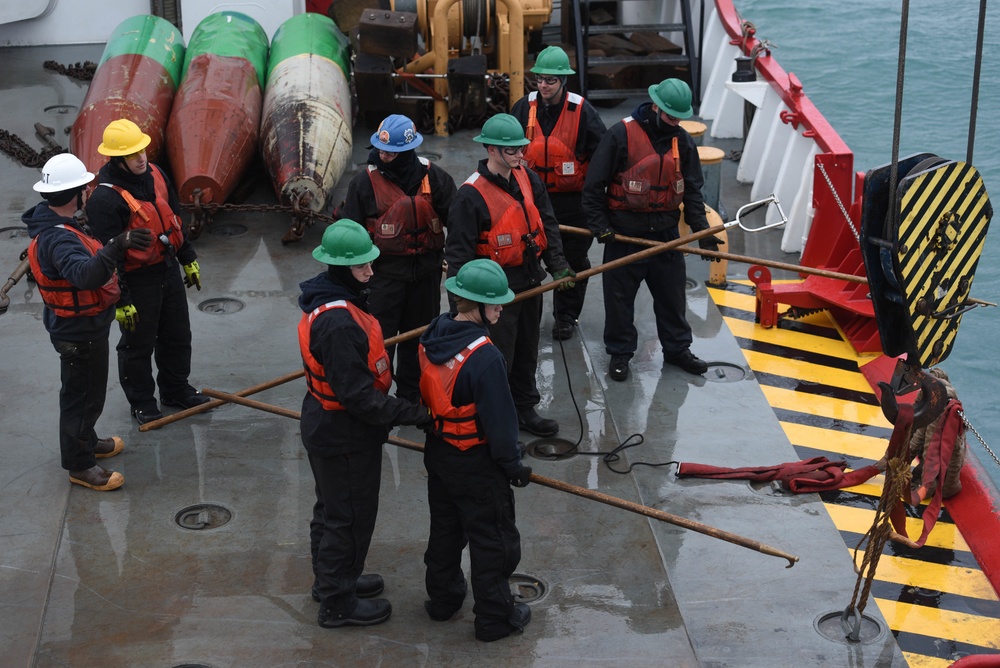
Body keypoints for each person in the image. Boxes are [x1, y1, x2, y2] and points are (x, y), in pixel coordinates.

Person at [298, 218, 432, 628]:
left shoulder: (331, 300)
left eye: (370, 264)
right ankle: (338, 603)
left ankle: (332, 581)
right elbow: (358, 397)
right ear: (340, 269)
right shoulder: (338, 323)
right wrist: (415, 414)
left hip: (325, 424)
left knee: (332, 509)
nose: (371, 272)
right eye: (361, 267)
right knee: (349, 517)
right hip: (344, 433)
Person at [418, 258, 533, 641]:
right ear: (475, 305)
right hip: (476, 464)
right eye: (495, 302)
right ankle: (495, 619)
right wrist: (513, 465)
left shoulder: (434, 333)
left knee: (446, 531)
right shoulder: (485, 358)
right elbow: (501, 423)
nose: (501, 307)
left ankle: (443, 600)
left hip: (440, 453)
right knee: (493, 540)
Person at [24, 153, 153, 491]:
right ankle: (80, 466)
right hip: (78, 332)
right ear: (75, 193)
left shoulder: (59, 221)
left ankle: (86, 440)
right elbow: (85, 275)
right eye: (85, 186)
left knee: (88, 392)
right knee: (82, 396)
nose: (89, 191)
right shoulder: (59, 238)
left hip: (80, 326)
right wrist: (117, 245)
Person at [582, 78, 721, 382]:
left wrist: (703, 232)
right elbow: (593, 186)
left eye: (680, 118)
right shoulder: (621, 135)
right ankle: (620, 354)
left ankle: (677, 350)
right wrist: (600, 227)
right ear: (656, 106)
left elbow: (693, 192)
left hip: (665, 237)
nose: (675, 123)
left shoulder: (682, 142)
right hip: (623, 237)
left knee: (673, 299)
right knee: (619, 302)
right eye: (671, 117)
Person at [445, 113, 575, 438]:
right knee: (497, 356)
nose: (521, 155)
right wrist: (462, 309)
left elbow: (548, 223)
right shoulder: (469, 196)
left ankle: (524, 408)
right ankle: (495, 419)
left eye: (521, 149)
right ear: (492, 150)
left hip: (531, 282)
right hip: (493, 294)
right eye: (513, 150)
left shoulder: (528, 179)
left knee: (528, 348)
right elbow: (458, 257)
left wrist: (558, 264)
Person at [85, 118, 210, 425]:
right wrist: (121, 299)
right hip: (136, 279)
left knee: (178, 335)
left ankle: (175, 388)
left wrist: (187, 258)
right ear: (117, 159)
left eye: (142, 150)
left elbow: (174, 220)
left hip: (166, 269)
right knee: (137, 344)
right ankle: (141, 400)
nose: (141, 158)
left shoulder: (156, 174)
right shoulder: (104, 200)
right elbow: (106, 257)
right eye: (132, 154)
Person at [340, 114, 457, 402]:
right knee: (378, 343)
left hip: (426, 277)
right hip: (382, 280)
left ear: (408, 151)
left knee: (418, 341)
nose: (383, 156)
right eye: (380, 150)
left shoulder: (436, 179)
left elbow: (459, 221)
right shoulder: (363, 184)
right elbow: (349, 235)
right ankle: (374, 399)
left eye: (390, 152)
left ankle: (411, 398)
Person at [511, 45, 607, 341]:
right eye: (539, 79)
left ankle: (566, 317)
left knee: (574, 259)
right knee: (527, 260)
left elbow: (602, 156)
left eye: (550, 80)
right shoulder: (522, 108)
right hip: (530, 200)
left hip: (572, 203)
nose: (543, 85)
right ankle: (527, 316)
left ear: (563, 81)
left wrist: (597, 207)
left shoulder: (582, 111)